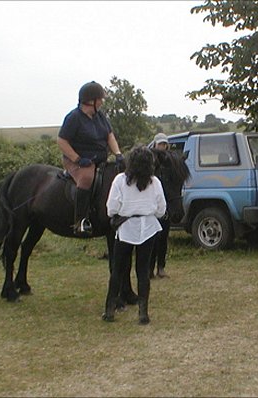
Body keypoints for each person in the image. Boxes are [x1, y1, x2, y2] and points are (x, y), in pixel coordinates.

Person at [103, 145, 166, 324]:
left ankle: (109, 311)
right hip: (148, 228)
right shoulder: (155, 182)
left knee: (118, 270)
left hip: (125, 228)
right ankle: (143, 314)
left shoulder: (120, 180)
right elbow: (161, 210)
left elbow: (111, 209)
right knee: (143, 271)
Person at [57, 81, 124, 236]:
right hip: (78, 161)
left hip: (99, 159)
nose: (102, 102)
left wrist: (118, 154)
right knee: (87, 178)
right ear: (91, 100)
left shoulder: (100, 117)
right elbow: (62, 141)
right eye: (100, 99)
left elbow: (110, 136)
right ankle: (80, 221)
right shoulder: (74, 117)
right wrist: (77, 158)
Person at [148, 133, 172, 279]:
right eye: (160, 144)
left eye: (164, 144)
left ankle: (161, 267)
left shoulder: (169, 161)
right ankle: (149, 269)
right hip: (152, 204)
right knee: (152, 239)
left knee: (163, 238)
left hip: (165, 202)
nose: (162, 147)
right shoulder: (149, 160)